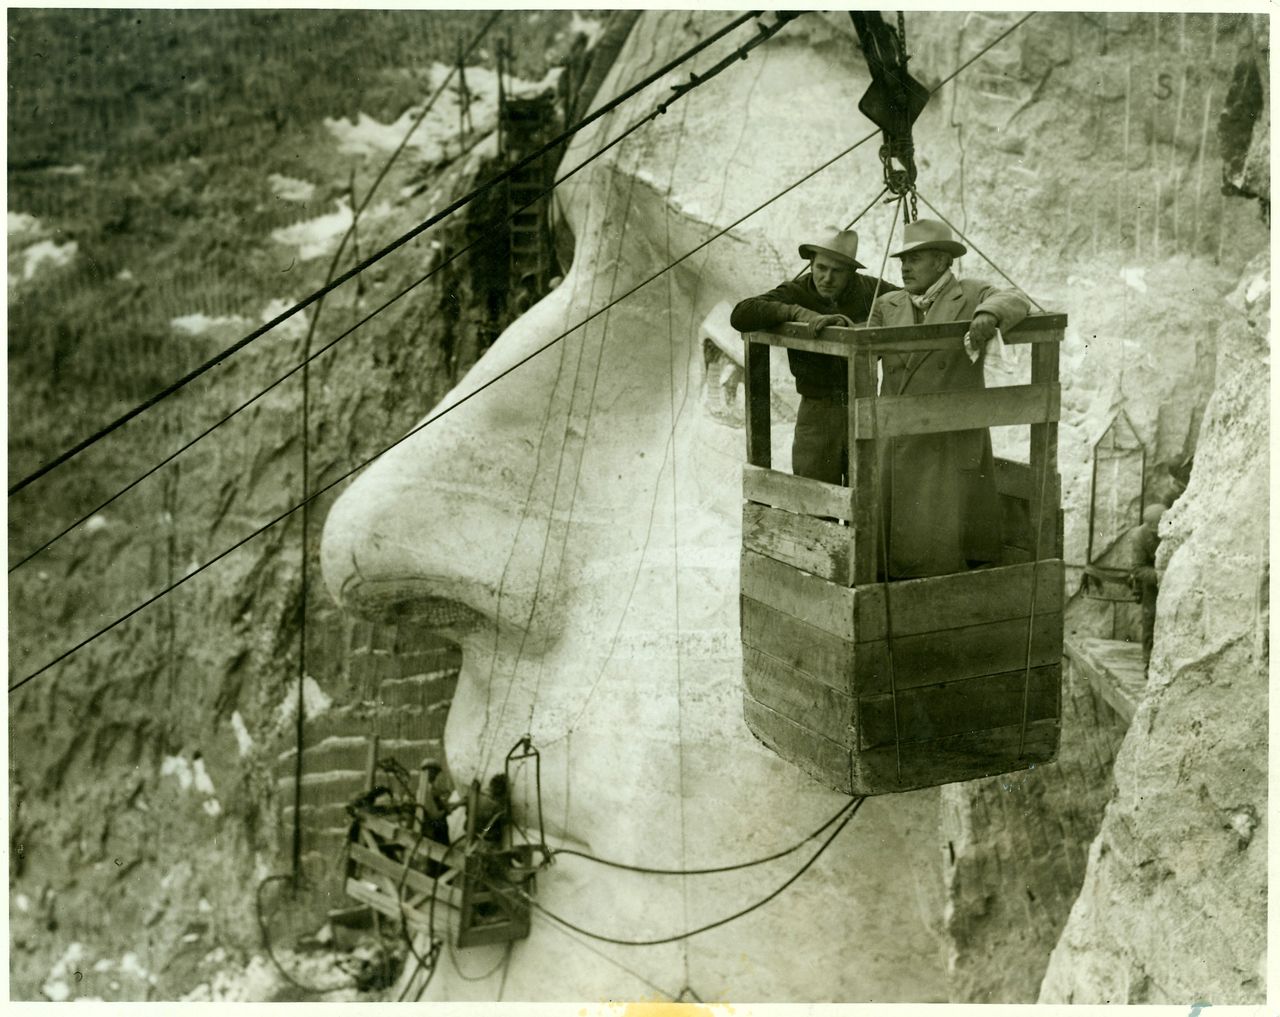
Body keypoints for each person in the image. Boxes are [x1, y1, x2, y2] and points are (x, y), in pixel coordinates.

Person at [867, 219, 1031, 579]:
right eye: (902, 261)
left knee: (943, 545)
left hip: (948, 441)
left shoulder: (971, 294)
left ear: (941, 262)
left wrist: (989, 314)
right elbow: (863, 348)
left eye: (915, 258)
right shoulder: (888, 303)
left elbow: (1016, 298)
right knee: (896, 541)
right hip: (898, 439)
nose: (904, 267)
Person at [730, 228, 898, 485]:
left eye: (837, 271)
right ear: (811, 264)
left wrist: (866, 326)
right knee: (815, 499)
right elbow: (741, 314)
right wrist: (795, 313)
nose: (826, 278)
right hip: (817, 412)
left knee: (869, 497)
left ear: (852, 272)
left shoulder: (870, 290)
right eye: (821, 268)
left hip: (865, 408)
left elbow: (913, 299)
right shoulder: (797, 291)